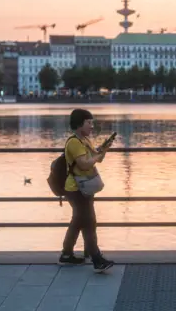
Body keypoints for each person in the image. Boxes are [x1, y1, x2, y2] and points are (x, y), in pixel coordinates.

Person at [59, 108, 115, 273]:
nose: (92, 126)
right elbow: (84, 164)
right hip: (75, 188)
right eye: (88, 123)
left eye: (92, 122)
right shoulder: (74, 142)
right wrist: (97, 156)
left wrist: (104, 149)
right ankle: (96, 258)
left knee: (79, 221)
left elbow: (97, 159)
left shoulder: (84, 140)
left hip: (84, 186)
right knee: (88, 222)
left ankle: (67, 254)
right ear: (79, 124)